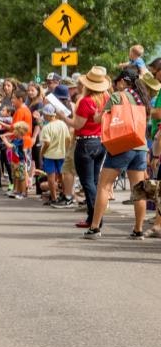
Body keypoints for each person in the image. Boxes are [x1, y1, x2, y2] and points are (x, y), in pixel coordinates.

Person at [84, 72, 150, 240]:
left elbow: (100, 118)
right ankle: (138, 229)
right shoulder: (142, 97)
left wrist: (96, 113)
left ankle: (95, 227)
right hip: (140, 146)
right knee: (138, 189)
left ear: (122, 82)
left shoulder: (118, 96)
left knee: (104, 185)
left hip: (122, 144)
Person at [57, 66, 110, 230]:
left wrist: (63, 117)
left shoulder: (86, 101)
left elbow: (77, 124)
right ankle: (92, 217)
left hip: (85, 142)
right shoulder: (106, 97)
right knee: (93, 181)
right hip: (100, 142)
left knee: (87, 183)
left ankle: (95, 218)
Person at [39, 104, 71, 205]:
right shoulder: (62, 124)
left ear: (48, 115)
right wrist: (65, 149)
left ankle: (53, 197)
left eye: (44, 114)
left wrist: (42, 152)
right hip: (61, 154)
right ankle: (65, 195)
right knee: (62, 176)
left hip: (50, 155)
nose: (43, 116)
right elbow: (68, 139)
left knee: (51, 177)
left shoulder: (46, 127)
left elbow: (47, 143)